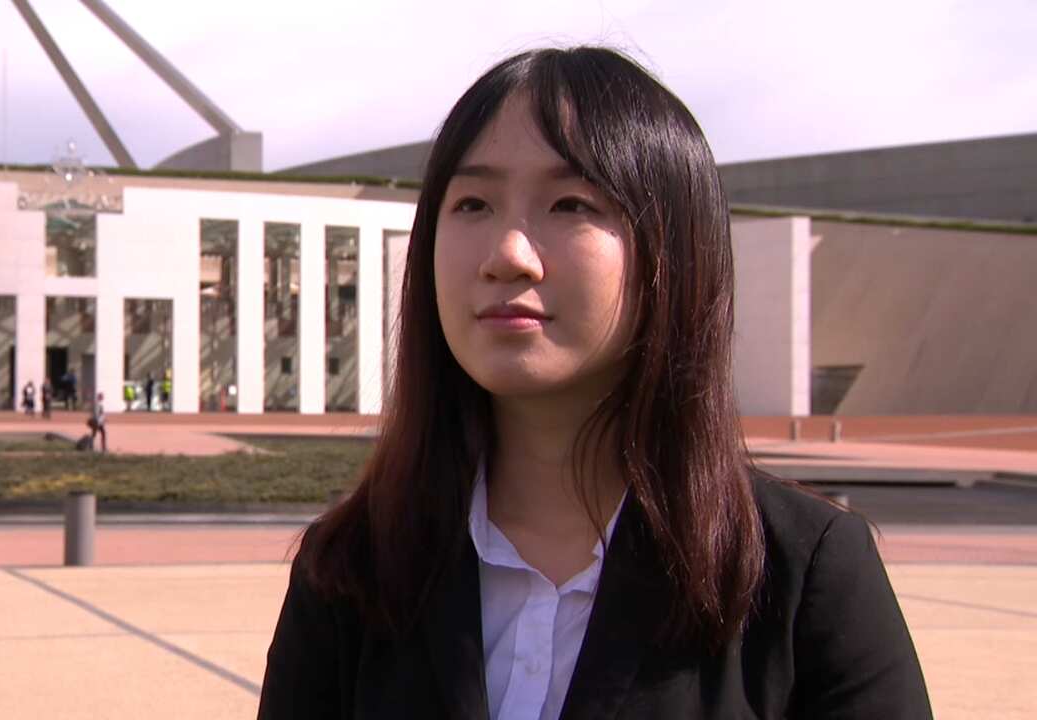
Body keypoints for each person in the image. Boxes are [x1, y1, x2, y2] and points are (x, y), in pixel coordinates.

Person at [258, 47, 931, 719]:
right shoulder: (351, 570)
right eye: (471, 204)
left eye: (570, 203)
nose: (507, 256)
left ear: (671, 254)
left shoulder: (798, 575)